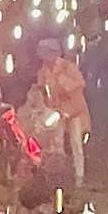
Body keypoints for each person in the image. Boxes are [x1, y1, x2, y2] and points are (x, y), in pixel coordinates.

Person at [36, 40, 91, 188]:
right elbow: (43, 90)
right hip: (57, 111)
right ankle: (58, 174)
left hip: (75, 110)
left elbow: (80, 84)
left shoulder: (68, 67)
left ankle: (79, 176)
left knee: (76, 143)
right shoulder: (44, 71)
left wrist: (64, 83)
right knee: (56, 142)